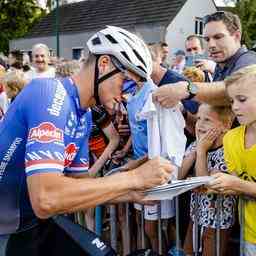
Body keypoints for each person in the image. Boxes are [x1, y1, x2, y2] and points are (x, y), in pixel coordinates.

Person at [0, 26, 174, 256]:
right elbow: (47, 197)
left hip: (28, 223)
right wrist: (132, 179)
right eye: (127, 83)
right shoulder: (50, 94)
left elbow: (76, 184)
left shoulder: (84, 115)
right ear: (104, 64)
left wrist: (129, 187)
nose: (126, 95)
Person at [153, 11, 256, 108]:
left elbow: (235, 89)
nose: (211, 45)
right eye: (207, 39)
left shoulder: (249, 60)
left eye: (218, 37)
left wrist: (187, 89)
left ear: (236, 36)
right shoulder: (220, 66)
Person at [208, 65, 256, 256]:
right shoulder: (231, 138)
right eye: (232, 100)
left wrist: (236, 184)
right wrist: (222, 183)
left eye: (242, 99)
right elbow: (241, 186)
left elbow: (241, 185)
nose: (235, 107)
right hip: (249, 234)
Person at [180, 104, 236, 256]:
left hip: (217, 223)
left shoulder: (229, 151)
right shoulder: (196, 145)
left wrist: (201, 152)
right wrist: (195, 152)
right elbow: (178, 175)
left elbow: (204, 185)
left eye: (207, 120)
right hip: (196, 217)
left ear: (226, 125)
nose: (200, 124)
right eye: (198, 118)